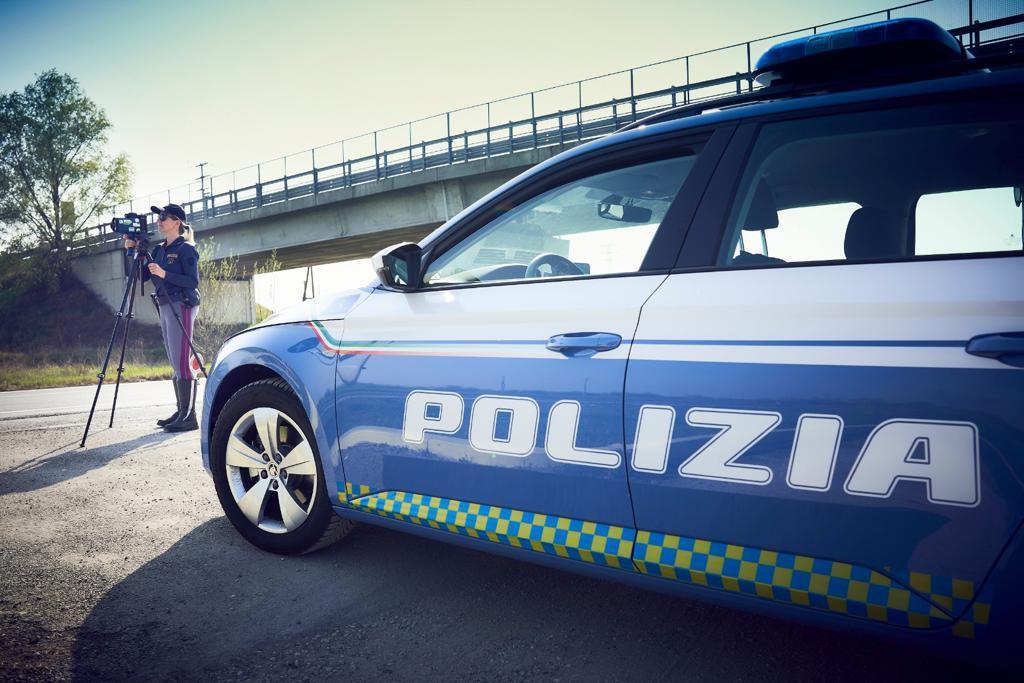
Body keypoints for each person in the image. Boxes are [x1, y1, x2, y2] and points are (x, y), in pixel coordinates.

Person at [123, 203, 201, 433]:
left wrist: (165, 273)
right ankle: (181, 411)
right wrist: (134, 253)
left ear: (177, 222)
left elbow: (193, 281)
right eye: (159, 217)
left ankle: (189, 416)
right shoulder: (158, 250)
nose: (159, 221)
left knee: (182, 359)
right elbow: (142, 277)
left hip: (183, 303)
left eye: (164, 217)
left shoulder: (186, 248)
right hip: (165, 304)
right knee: (174, 359)